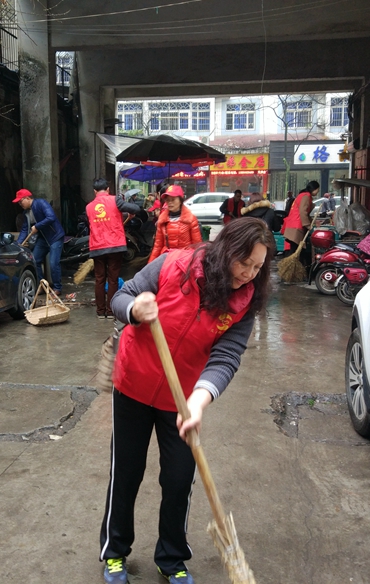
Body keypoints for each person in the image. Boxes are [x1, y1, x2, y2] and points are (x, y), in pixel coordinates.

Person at [99, 218, 276, 584]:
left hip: (183, 399)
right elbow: (121, 297)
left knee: (180, 479)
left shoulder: (245, 302)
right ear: (225, 251)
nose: (249, 274)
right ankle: (114, 552)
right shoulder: (172, 265)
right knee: (126, 472)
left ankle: (171, 558)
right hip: (134, 382)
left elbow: (227, 355)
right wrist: (135, 309)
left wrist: (200, 399)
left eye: (258, 267)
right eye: (244, 262)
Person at [86, 178, 141, 319]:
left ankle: (100, 312)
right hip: (115, 246)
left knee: (99, 279)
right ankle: (110, 312)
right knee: (113, 279)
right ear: (108, 189)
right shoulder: (116, 200)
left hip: (97, 247)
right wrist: (130, 213)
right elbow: (136, 209)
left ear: (94, 191)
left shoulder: (89, 207)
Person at [14, 188, 65, 294]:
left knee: (53, 263)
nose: (20, 204)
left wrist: (37, 226)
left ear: (27, 198)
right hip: (43, 238)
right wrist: (19, 243)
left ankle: (57, 288)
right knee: (35, 260)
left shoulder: (41, 203)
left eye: (20, 201)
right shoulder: (26, 213)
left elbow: (51, 217)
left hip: (55, 236)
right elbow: (24, 229)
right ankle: (42, 285)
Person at [148, 185, 202, 263]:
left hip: (184, 260)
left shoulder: (191, 219)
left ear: (180, 200)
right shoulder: (162, 220)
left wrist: (197, 264)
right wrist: (151, 265)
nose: (170, 203)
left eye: (173, 199)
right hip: (167, 260)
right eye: (167, 200)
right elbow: (158, 246)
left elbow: (197, 246)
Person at [282, 180, 320, 251]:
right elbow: (303, 211)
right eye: (318, 189)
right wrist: (307, 225)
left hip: (292, 224)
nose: (318, 192)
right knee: (295, 250)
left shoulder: (302, 195)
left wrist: (313, 222)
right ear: (314, 189)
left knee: (294, 249)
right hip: (296, 225)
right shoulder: (306, 196)